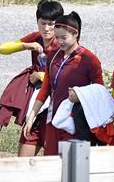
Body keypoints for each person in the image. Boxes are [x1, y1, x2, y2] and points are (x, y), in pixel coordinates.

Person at [23, 11, 103, 156]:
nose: (60, 42)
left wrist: (80, 97)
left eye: (64, 38)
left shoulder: (89, 59)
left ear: (76, 34)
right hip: (54, 121)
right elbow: (46, 88)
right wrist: (31, 116)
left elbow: (99, 92)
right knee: (52, 167)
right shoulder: (53, 55)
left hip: (76, 124)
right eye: (57, 37)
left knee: (73, 171)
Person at [0, 0, 63, 156]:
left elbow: (65, 75)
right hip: (36, 105)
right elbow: (3, 49)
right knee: (23, 162)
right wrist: (26, 45)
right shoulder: (35, 38)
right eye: (43, 23)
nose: (47, 29)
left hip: (55, 107)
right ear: (37, 22)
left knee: (53, 161)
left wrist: (40, 75)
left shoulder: (63, 43)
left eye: (52, 24)